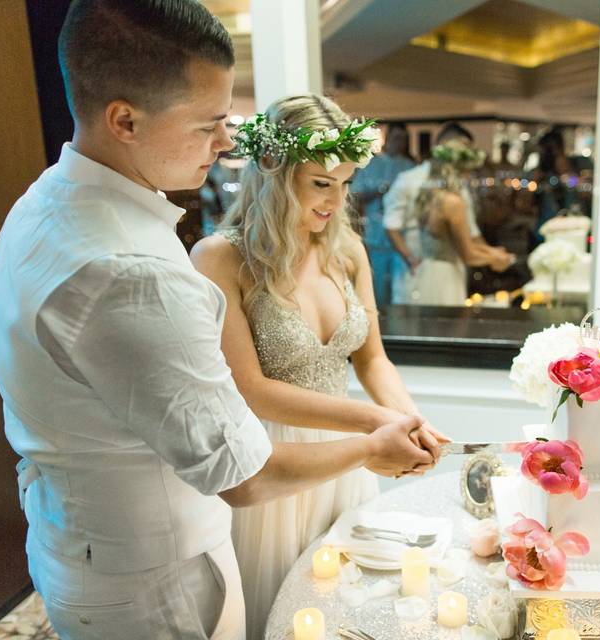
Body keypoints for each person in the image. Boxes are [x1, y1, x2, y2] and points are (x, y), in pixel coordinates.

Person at [0, 3, 435, 639]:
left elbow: (370, 359)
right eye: (209, 124)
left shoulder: (50, 201)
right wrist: (371, 441)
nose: (228, 143)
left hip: (87, 539)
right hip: (155, 577)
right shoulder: (132, 269)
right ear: (125, 120)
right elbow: (246, 477)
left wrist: (386, 421)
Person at [190, 96, 447, 635]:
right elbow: (252, 390)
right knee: (279, 614)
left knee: (346, 609)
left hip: (349, 463)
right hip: (271, 466)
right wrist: (375, 426)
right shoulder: (220, 258)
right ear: (274, 173)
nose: (337, 200)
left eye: (346, 184)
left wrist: (410, 420)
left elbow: (373, 360)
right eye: (321, 183)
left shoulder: (347, 250)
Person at [383, 122, 510, 303]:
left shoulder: (451, 190)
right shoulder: (410, 181)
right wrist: (411, 259)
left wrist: (491, 252)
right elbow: (391, 226)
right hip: (417, 269)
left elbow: (470, 233)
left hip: (445, 268)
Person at [349, 122, 416, 306]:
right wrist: (378, 191)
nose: (399, 143)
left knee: (401, 288)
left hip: (402, 238)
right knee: (377, 287)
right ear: (387, 140)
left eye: (403, 139)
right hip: (376, 234)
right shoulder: (371, 164)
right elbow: (354, 194)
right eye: (395, 138)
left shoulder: (410, 166)